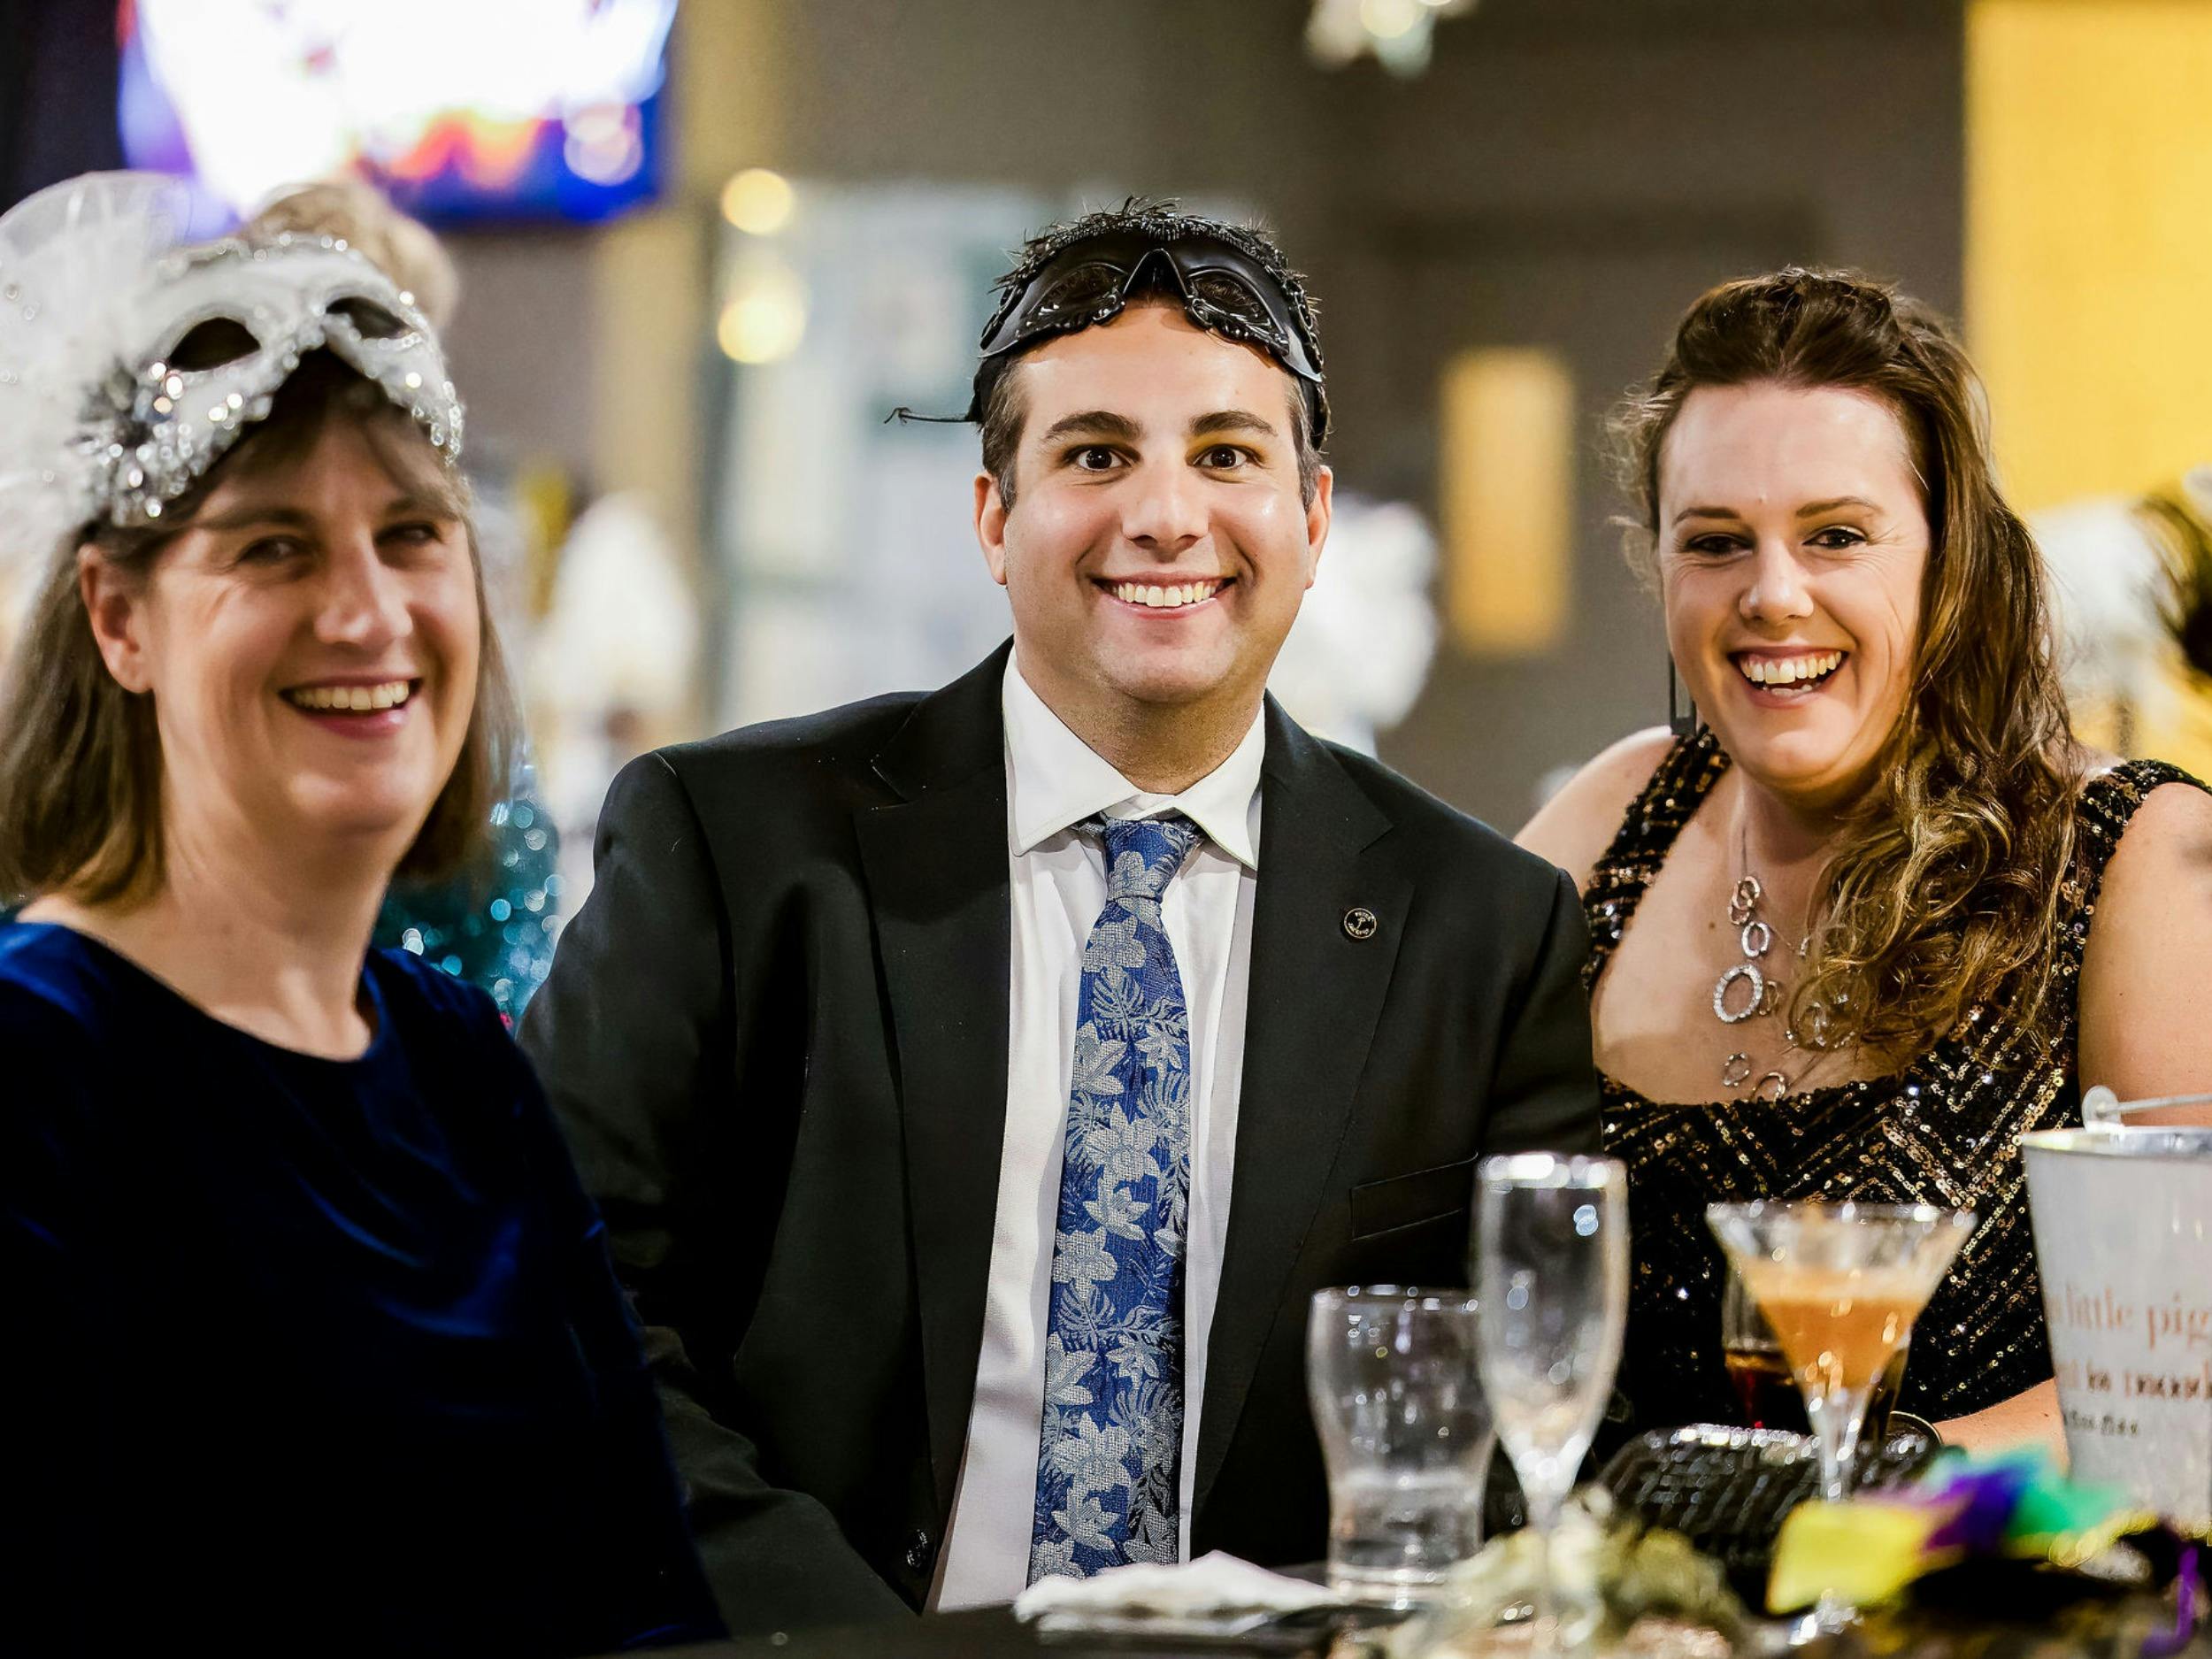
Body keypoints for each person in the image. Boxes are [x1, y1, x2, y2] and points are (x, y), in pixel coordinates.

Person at [521, 200, 1601, 1631]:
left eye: (1227, 455)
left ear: (1313, 518)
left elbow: (1549, 1398)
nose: (1166, 515)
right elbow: (564, 1295)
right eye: (1096, 454)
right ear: (994, 515)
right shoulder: (737, 850)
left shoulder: (1484, 927)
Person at [0, 173, 721, 1657]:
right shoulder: (33, 1068)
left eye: (411, 535)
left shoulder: (458, 1060)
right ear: (118, 619)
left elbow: (649, 1588)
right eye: (274, 546)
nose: (368, 612)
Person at [1518, 266, 2212, 1452]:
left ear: (1949, 559)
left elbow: (2183, 1383)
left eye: (1837, 535)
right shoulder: (1604, 824)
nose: (1773, 595)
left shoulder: (2131, 861)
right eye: (1718, 542)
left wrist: (1872, 1504)